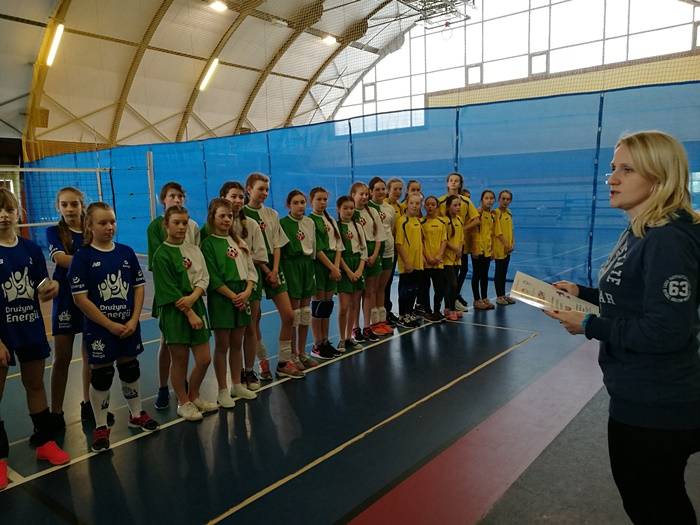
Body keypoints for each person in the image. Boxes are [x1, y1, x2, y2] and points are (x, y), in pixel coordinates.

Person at [546, 131, 700, 525]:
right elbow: (631, 298)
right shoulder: (640, 229)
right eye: (613, 168)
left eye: (627, 170)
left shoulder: (667, 240)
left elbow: (666, 331)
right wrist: (582, 294)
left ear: (658, 177)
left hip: (657, 403)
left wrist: (590, 324)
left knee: (656, 507)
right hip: (637, 393)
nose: (612, 178)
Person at [70, 202, 159, 452]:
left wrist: (133, 319)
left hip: (128, 325)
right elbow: (80, 299)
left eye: (112, 221)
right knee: (102, 374)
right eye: (103, 223)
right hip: (100, 329)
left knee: (130, 367)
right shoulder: (83, 257)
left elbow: (139, 288)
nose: (109, 227)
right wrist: (109, 324)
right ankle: (101, 425)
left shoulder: (126, 253)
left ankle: (136, 413)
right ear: (90, 225)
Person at [0, 188, 69, 486]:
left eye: (8, 209)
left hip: (29, 327)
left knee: (36, 384)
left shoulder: (30, 249)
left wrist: (50, 289)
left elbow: (41, 285)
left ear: (18, 213)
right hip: (2, 333)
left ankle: (44, 442)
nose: (3, 215)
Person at [46, 186, 112, 428]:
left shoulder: (90, 228)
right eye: (64, 204)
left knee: (90, 356)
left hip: (89, 296)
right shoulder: (54, 232)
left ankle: (89, 405)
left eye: (74, 204)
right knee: (61, 357)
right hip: (66, 297)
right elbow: (61, 259)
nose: (69, 208)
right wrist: (93, 260)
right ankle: (56, 412)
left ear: (82, 205)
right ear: (58, 207)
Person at [152, 206, 218, 421]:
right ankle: (183, 402)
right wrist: (189, 312)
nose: (181, 227)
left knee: (204, 359)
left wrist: (194, 296)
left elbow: (204, 277)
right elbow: (168, 289)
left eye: (185, 223)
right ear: (166, 225)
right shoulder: (161, 255)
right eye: (176, 222)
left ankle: (194, 395)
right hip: (175, 312)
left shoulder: (194, 250)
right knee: (179, 360)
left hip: (196, 306)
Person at [147, 182, 200, 411]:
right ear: (163, 200)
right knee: (167, 342)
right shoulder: (155, 227)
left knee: (187, 344)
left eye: (180, 196)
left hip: (192, 294)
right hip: (170, 294)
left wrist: (195, 290)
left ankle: (182, 385)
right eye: (172, 196)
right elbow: (158, 263)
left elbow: (196, 259)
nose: (177, 199)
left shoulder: (192, 225)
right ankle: (163, 386)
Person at [244, 173, 303, 379]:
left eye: (267, 189)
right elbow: (248, 250)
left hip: (274, 267)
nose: (264, 193)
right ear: (249, 189)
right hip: (253, 267)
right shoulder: (242, 215)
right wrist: (266, 271)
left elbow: (277, 244)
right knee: (254, 320)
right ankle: (262, 362)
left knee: (289, 315)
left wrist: (275, 270)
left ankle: (284, 362)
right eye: (260, 189)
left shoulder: (272, 214)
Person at [200, 198, 258, 409]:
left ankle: (236, 385)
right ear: (212, 217)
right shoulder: (208, 244)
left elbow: (251, 270)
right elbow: (213, 277)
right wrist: (233, 296)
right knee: (222, 345)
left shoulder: (239, 242)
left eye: (230, 216)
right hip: (222, 299)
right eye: (222, 216)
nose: (226, 219)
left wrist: (247, 291)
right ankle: (222, 390)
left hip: (242, 295)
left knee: (237, 343)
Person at [219, 182, 268, 389]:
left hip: (250, 283)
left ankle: (249, 370)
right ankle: (235, 374)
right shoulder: (215, 226)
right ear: (223, 197)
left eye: (241, 197)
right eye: (233, 196)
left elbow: (260, 255)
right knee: (230, 334)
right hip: (226, 287)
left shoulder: (252, 224)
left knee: (250, 327)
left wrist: (241, 259)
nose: (238, 200)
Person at [280, 190, 319, 370]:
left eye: (302, 202)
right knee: (294, 315)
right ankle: (292, 355)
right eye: (295, 202)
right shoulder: (283, 223)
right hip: (292, 267)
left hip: (307, 267)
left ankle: (302, 352)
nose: (300, 206)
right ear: (288, 205)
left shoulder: (310, 222)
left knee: (305, 313)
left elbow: (313, 247)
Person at [308, 187, 343, 360]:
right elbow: (318, 248)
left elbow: (338, 245)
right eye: (319, 199)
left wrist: (336, 267)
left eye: (325, 199)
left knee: (327, 305)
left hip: (332, 265)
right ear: (311, 201)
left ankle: (325, 340)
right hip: (320, 265)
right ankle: (317, 344)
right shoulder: (310, 221)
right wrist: (332, 267)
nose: (322, 202)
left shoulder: (330, 220)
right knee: (319, 306)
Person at [350, 182, 387, 342]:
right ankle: (355, 328)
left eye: (366, 194)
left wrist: (374, 255)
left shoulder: (372, 211)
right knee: (356, 295)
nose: (365, 197)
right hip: (358, 256)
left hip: (373, 255)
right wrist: (363, 258)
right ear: (353, 195)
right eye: (361, 194)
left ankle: (367, 326)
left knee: (370, 292)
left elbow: (379, 236)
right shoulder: (350, 212)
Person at [438, 173, 479, 312]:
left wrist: (461, 228)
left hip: (461, 244)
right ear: (447, 183)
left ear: (460, 184)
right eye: (451, 180)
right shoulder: (441, 201)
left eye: (456, 181)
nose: (453, 183)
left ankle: (454, 299)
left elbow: (476, 219)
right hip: (444, 245)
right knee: (446, 278)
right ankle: (447, 305)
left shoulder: (466, 201)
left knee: (461, 272)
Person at [336, 196, 367, 352]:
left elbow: (363, 250)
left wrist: (360, 270)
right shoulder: (336, 227)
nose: (349, 211)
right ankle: (341, 338)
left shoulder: (358, 226)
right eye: (345, 208)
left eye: (351, 208)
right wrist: (348, 272)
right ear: (338, 209)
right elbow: (338, 253)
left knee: (355, 305)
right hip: (344, 267)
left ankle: (349, 337)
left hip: (357, 265)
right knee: (344, 307)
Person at [368, 177, 397, 333]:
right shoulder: (367, 208)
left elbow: (390, 229)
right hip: (375, 253)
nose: (381, 192)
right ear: (371, 191)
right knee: (372, 289)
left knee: (382, 288)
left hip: (388, 252)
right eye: (377, 189)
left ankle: (381, 321)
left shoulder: (390, 208)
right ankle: (373, 323)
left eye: (383, 189)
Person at [395, 193, 424, 328]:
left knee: (413, 289)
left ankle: (409, 312)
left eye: (417, 203)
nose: (414, 206)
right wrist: (407, 262)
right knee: (405, 289)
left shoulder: (417, 220)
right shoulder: (402, 221)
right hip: (407, 264)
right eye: (412, 203)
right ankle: (402, 316)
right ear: (407, 204)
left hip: (417, 263)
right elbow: (399, 243)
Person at [471, 189, 500, 310]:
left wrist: (492, 249)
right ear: (482, 200)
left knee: (484, 275)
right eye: (486, 198)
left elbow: (491, 234)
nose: (489, 200)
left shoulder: (492, 215)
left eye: (491, 198)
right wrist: (474, 248)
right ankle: (476, 300)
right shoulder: (478, 213)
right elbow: (473, 232)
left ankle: (484, 298)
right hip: (478, 249)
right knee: (476, 275)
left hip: (487, 250)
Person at [421, 196, 448, 322]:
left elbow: (444, 240)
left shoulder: (442, 223)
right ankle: (427, 311)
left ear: (437, 206)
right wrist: (428, 257)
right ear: (424, 206)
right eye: (428, 204)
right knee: (424, 288)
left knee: (440, 288)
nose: (430, 207)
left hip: (438, 262)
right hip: (426, 262)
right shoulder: (421, 222)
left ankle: (437, 311)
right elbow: (421, 242)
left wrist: (438, 256)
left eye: (433, 204)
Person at [384, 178, 403, 324]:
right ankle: (382, 312)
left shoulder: (400, 207)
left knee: (389, 281)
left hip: (395, 249)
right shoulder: (383, 205)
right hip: (385, 249)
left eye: (400, 189)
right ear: (388, 190)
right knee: (383, 283)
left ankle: (387, 310)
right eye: (395, 189)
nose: (398, 192)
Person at [442, 195, 464, 321]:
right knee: (452, 284)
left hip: (457, 258)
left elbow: (461, 237)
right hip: (447, 258)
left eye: (459, 205)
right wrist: (455, 249)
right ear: (448, 207)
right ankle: (451, 309)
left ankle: (448, 308)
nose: (458, 207)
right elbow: (444, 240)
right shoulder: (445, 221)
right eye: (455, 205)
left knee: (452, 285)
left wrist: (460, 249)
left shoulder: (460, 219)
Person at [494, 190, 515, 305]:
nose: (505, 201)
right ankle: (499, 296)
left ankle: (503, 295)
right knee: (499, 272)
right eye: (503, 198)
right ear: (499, 199)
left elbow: (511, 230)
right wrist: (506, 245)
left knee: (504, 272)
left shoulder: (509, 213)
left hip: (508, 248)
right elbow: (498, 232)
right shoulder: (496, 213)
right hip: (499, 248)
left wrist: (512, 244)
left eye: (508, 199)